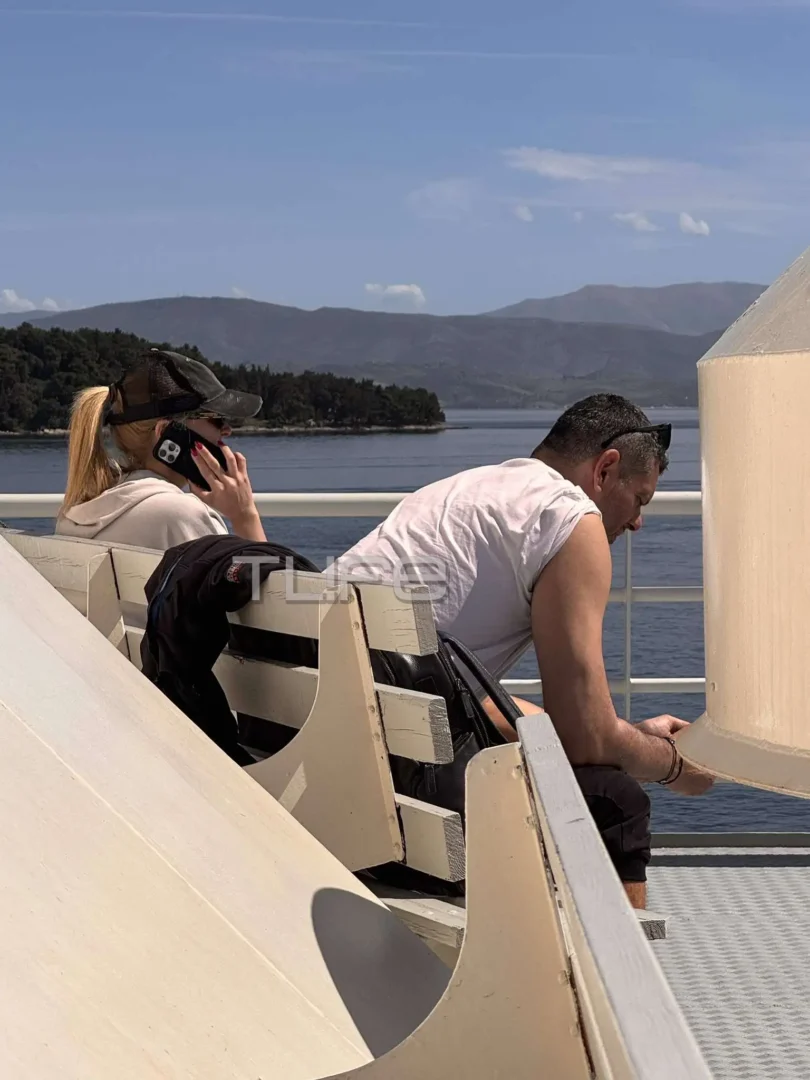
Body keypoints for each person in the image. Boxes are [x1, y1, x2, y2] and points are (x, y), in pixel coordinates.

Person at [329, 393, 715, 908]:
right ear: (605, 469)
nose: (637, 522)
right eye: (640, 500)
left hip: (322, 741)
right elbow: (583, 740)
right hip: (386, 787)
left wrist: (624, 734)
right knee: (614, 802)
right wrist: (672, 764)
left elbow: (459, 692)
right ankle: (609, 962)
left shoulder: (462, 492)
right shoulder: (570, 519)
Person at [56, 348, 267, 549]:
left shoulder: (76, 516)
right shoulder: (182, 516)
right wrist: (244, 516)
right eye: (216, 419)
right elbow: (267, 576)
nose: (227, 430)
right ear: (166, 431)